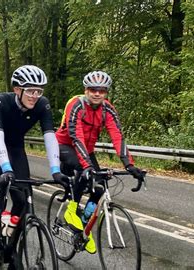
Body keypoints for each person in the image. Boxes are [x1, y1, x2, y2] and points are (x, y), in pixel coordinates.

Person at [0, 65, 68, 250]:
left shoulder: (42, 104)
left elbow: (50, 136)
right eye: (30, 91)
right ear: (17, 89)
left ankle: (11, 247)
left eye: (39, 91)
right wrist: (6, 167)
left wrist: (56, 170)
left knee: (23, 199)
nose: (35, 96)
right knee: (1, 170)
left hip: (16, 146)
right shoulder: (0, 101)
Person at [55, 70, 144, 254]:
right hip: (64, 145)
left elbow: (117, 136)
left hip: (87, 151)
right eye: (93, 89)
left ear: (106, 93)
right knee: (83, 169)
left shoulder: (107, 109)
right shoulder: (76, 105)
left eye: (102, 90)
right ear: (86, 90)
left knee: (100, 187)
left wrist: (129, 165)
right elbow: (76, 136)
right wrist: (87, 166)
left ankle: (84, 230)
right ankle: (71, 210)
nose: (97, 93)